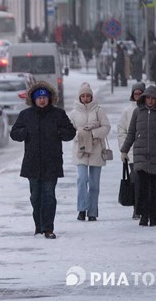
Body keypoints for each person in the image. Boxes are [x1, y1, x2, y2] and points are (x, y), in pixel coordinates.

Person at [10, 81, 77, 239]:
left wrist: (59, 132)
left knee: (49, 195)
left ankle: (48, 228)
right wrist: (25, 132)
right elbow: (14, 133)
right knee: (35, 196)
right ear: (33, 99)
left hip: (51, 162)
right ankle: (38, 226)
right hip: (32, 163)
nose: (42, 100)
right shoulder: (26, 115)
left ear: (50, 98)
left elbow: (70, 132)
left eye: (45, 97)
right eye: (39, 97)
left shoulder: (58, 114)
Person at [120, 85, 156, 227]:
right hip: (141, 154)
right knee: (142, 186)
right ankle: (143, 215)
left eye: (153, 98)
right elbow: (131, 132)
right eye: (148, 98)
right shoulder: (138, 112)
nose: (150, 101)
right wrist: (124, 150)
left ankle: (154, 216)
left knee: (155, 186)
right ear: (144, 98)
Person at [68, 83, 110, 222]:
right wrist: (81, 135)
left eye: (88, 96)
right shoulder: (73, 113)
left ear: (91, 96)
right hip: (80, 151)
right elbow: (69, 131)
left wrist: (93, 134)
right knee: (82, 180)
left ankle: (92, 211)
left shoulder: (99, 110)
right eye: (83, 96)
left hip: (96, 150)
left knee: (94, 183)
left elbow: (106, 127)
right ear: (79, 97)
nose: (86, 98)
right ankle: (81, 209)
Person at [116, 82, 146, 220]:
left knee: (148, 181)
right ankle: (137, 208)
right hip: (133, 152)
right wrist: (124, 149)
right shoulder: (128, 111)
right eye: (136, 94)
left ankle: (148, 207)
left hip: (148, 152)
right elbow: (122, 130)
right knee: (136, 180)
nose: (138, 96)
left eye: (140, 93)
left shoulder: (150, 109)